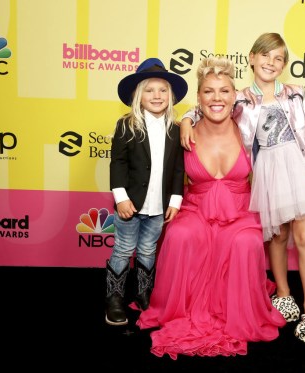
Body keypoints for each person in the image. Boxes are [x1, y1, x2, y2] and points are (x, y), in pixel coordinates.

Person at [180, 33, 305, 344]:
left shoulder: (297, 94)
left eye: (279, 58)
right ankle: (283, 294)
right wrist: (187, 119)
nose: (271, 62)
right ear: (252, 58)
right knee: (277, 235)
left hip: (299, 169)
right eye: (265, 56)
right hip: (267, 172)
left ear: (283, 65)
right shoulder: (239, 97)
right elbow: (207, 105)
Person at [135, 56, 286, 359]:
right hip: (195, 209)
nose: (216, 98)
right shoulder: (180, 131)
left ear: (235, 96)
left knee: (246, 242)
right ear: (198, 97)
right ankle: (174, 309)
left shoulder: (251, 129)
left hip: (241, 213)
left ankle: (239, 312)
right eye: (208, 91)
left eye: (224, 91)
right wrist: (187, 120)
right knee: (179, 235)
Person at [105, 58, 188, 326]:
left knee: (148, 251)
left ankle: (143, 294)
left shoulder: (175, 130)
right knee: (123, 249)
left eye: (163, 90)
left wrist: (175, 199)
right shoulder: (126, 125)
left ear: (171, 96)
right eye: (150, 90)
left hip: (158, 207)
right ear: (139, 97)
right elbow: (117, 162)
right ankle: (115, 298)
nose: (157, 96)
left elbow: (177, 169)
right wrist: (121, 197)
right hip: (130, 205)